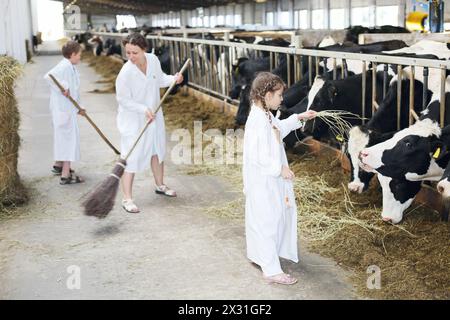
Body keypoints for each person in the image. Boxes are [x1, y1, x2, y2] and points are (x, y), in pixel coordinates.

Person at [243, 72, 317, 285]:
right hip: (264, 179)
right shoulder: (257, 119)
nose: (282, 99)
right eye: (279, 95)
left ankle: (261, 256)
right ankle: (271, 270)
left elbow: (278, 129)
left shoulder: (264, 114)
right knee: (268, 220)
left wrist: (298, 118)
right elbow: (257, 154)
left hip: (268, 178)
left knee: (267, 218)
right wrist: (279, 168)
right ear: (266, 95)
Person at [115, 33, 183, 213]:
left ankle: (160, 185)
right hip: (134, 120)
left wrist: (173, 79)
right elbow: (123, 100)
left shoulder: (153, 60)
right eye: (128, 53)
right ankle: (127, 198)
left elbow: (160, 79)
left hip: (154, 115)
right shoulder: (126, 73)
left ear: (144, 49)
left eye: (134, 53)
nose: (130, 57)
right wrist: (142, 109)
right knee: (131, 156)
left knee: (157, 149)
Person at [44, 40, 86, 185]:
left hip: (66, 109)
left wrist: (80, 107)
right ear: (73, 54)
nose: (80, 57)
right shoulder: (64, 66)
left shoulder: (70, 66)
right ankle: (65, 175)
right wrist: (63, 87)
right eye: (79, 54)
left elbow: (74, 90)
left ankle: (59, 165)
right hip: (63, 110)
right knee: (68, 140)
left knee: (64, 138)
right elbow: (48, 77)